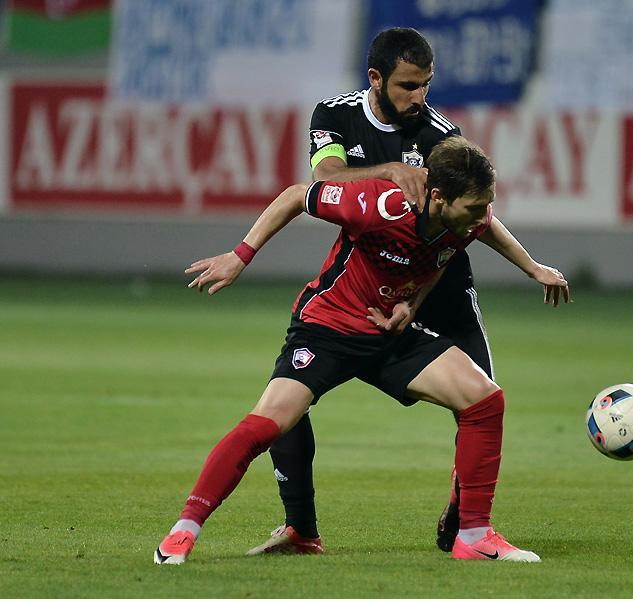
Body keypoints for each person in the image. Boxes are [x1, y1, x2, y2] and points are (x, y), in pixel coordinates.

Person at [154, 135, 569, 565]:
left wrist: (524, 271)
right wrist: (241, 255)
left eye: (488, 205)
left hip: (388, 333)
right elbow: (295, 196)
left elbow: (453, 247)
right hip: (328, 328)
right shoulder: (378, 205)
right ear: (438, 197)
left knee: (484, 400)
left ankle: (474, 537)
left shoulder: (465, 218)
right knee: (268, 423)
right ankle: (184, 531)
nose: (484, 217)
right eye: (476, 207)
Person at [252, 27, 561, 557]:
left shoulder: (441, 135)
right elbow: (327, 177)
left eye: (426, 84)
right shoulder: (335, 114)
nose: (420, 96)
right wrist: (391, 172)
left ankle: (465, 524)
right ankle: (299, 526)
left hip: (442, 281)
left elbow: (476, 216)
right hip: (372, 284)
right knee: (288, 400)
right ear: (376, 78)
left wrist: (531, 267)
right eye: (408, 85)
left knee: (481, 401)